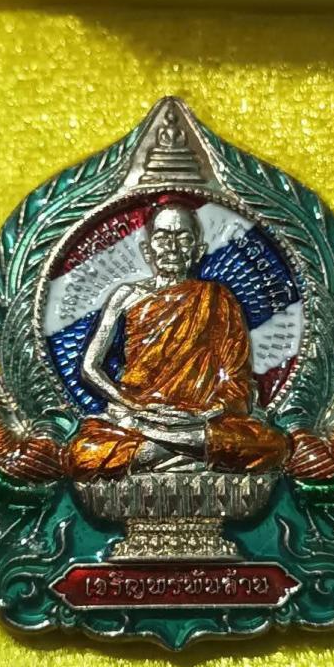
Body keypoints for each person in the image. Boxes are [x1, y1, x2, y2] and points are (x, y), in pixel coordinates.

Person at [67, 203, 290, 480]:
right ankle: (193, 452)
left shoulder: (218, 298)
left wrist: (205, 415)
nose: (172, 247)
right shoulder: (127, 295)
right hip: (141, 413)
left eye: (183, 238)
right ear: (147, 249)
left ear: (197, 250)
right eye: (162, 238)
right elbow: (90, 367)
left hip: (198, 419)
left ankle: (159, 447)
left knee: (274, 446)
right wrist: (133, 406)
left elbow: (238, 382)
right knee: (82, 453)